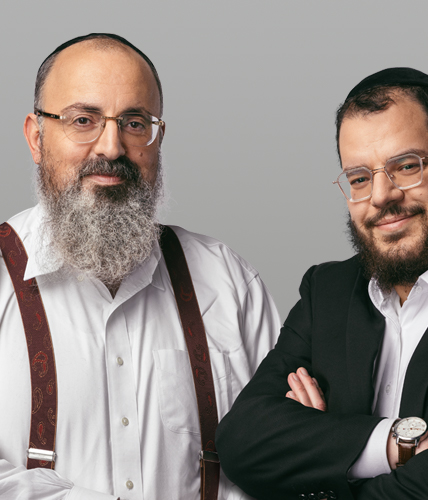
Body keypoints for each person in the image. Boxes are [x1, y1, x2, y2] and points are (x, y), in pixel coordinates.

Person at [0, 33, 280, 500]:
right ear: (36, 137)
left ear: (158, 138)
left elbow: (281, 458)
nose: (111, 147)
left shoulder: (228, 282)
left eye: (134, 123)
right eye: (83, 120)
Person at [216, 67, 428, 500]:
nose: (381, 196)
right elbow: (243, 442)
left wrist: (322, 451)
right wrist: (398, 444)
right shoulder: (326, 293)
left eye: (407, 166)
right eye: (360, 179)